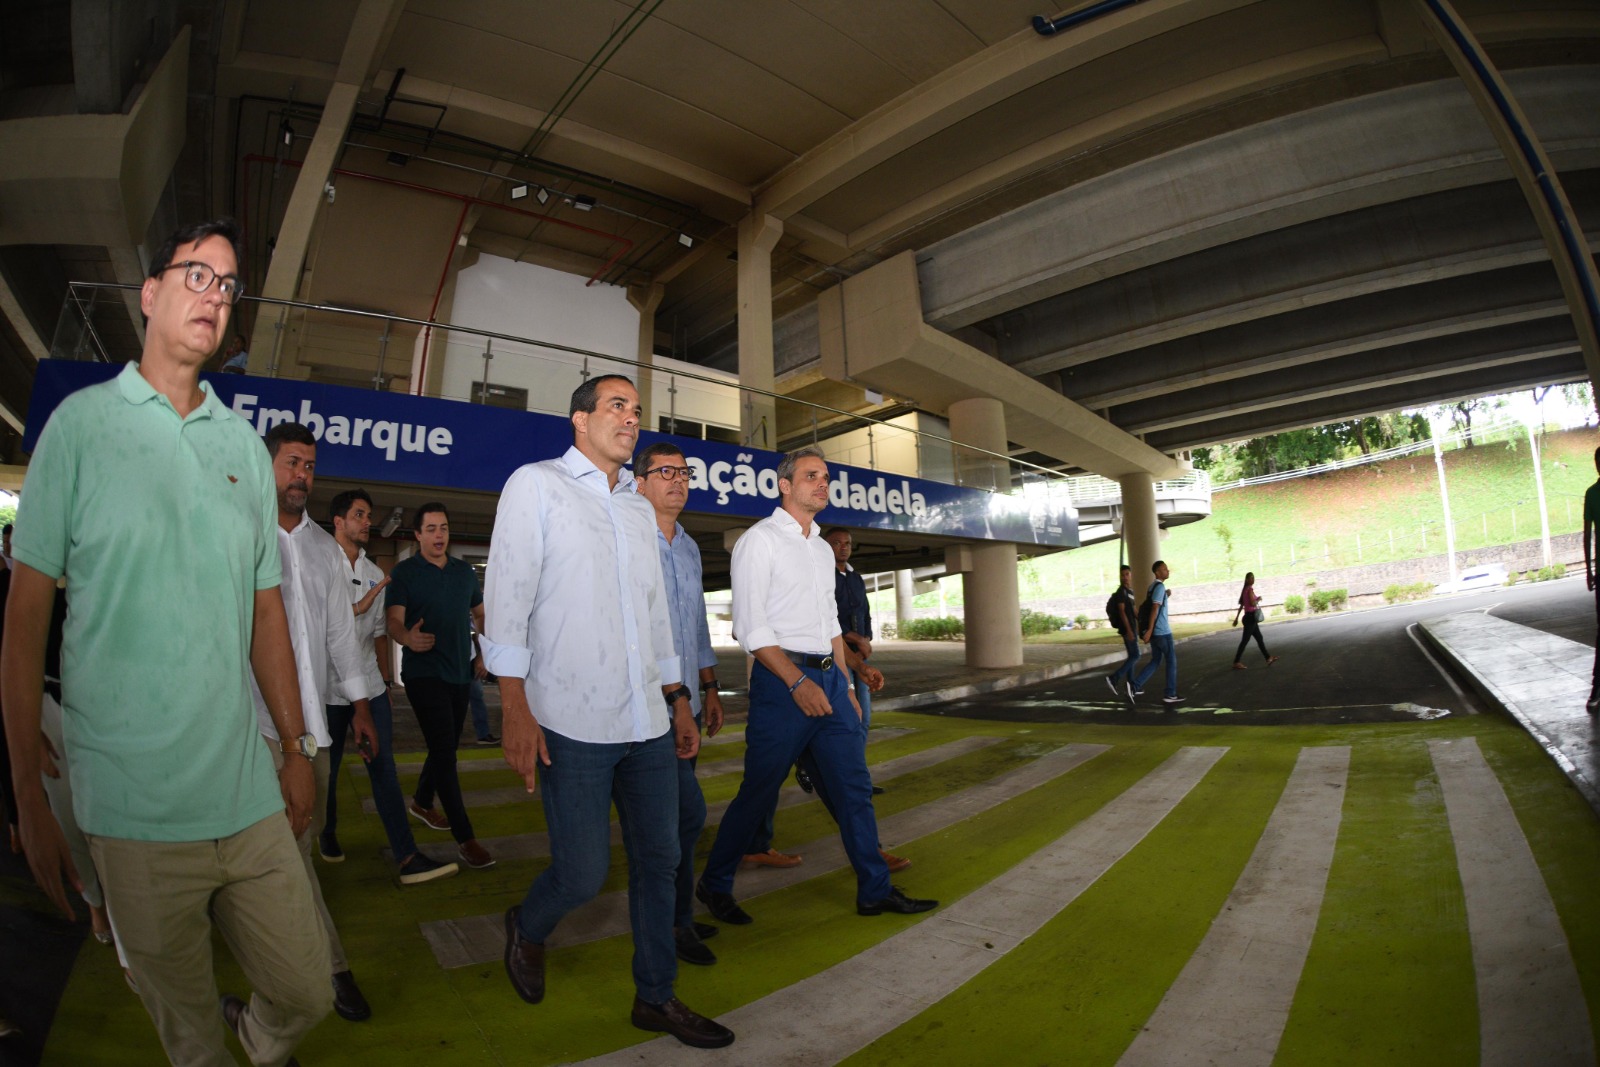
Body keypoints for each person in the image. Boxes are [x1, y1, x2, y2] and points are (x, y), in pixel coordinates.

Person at [1, 218, 332, 1065]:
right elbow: (26, 614)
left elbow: (265, 613)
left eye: (228, 286)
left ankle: (258, 1035)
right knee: (190, 1042)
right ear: (150, 294)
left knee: (306, 988)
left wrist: (293, 743)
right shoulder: (79, 429)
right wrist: (30, 798)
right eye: (197, 275)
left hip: (243, 791)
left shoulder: (241, 450)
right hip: (129, 808)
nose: (214, 296)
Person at [484, 374, 733, 1049]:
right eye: (616, 405)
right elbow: (508, 592)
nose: (630, 416)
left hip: (646, 722)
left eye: (636, 407)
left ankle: (655, 996)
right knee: (583, 871)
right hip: (570, 717)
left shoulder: (634, 509)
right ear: (580, 419)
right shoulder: (536, 485)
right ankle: (529, 925)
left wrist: (677, 700)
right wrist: (514, 702)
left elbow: (654, 618)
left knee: (662, 859)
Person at [697, 446, 937, 925]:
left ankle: (875, 889)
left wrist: (844, 682)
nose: (822, 483)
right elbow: (749, 626)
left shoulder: (822, 547)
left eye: (825, 477)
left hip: (830, 680)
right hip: (781, 682)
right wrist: (795, 681)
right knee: (760, 792)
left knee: (853, 789)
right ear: (784, 485)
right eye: (811, 476)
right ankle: (714, 883)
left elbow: (829, 619)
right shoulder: (758, 541)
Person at [255, 422, 382, 1023]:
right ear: (267, 466)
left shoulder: (324, 552)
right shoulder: (240, 533)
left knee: (294, 851)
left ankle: (299, 980)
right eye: (292, 463)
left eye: (309, 465)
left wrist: (359, 707)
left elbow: (339, 636)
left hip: (310, 734)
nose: (302, 474)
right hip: (244, 729)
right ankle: (331, 970)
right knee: (280, 857)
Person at [321, 488, 459, 886]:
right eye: (360, 515)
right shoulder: (318, 565)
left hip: (368, 687)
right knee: (325, 772)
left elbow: (381, 634)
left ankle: (406, 854)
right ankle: (327, 831)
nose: (368, 522)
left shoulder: (373, 573)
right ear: (340, 521)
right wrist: (357, 608)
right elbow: (315, 625)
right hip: (328, 688)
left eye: (368, 516)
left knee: (384, 770)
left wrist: (387, 675)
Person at [634, 441, 726, 967]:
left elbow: (695, 627)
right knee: (676, 820)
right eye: (664, 471)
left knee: (680, 820)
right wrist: (679, 701)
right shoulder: (629, 540)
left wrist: (710, 687)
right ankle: (670, 924)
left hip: (689, 703)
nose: (677, 480)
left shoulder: (689, 547)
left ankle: (678, 918)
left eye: (684, 472)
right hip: (650, 706)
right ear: (640, 482)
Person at [386, 503, 495, 870]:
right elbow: (394, 622)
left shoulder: (464, 573)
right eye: (431, 529)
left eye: (443, 528)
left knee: (442, 744)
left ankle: (420, 801)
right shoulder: (405, 573)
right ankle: (465, 837)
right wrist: (406, 639)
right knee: (446, 752)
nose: (439, 535)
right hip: (422, 674)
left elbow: (480, 614)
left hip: (459, 673)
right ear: (417, 535)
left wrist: (484, 653)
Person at [1129, 559, 1183, 708]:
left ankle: (1135, 685)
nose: (1168, 571)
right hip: (1162, 632)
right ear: (1157, 572)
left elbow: (1156, 601)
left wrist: (1166, 594)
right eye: (1165, 569)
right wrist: (1151, 630)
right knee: (1171, 661)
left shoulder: (1153, 587)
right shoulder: (1159, 587)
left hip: (1156, 633)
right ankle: (1170, 693)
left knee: (1155, 661)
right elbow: (1154, 608)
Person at [1231, 571, 1277, 669]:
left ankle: (1268, 658)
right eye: (1251, 578)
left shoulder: (1244, 590)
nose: (1253, 579)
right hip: (1250, 618)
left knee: (1259, 638)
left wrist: (1236, 618)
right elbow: (1252, 603)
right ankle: (1236, 662)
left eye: (1253, 577)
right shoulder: (1249, 589)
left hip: (1249, 618)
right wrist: (1258, 599)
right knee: (1245, 641)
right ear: (1247, 580)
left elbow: (1242, 606)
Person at [1106, 565, 1140, 697]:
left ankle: (1131, 686)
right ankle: (1114, 678)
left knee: (1132, 656)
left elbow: (1134, 610)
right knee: (1135, 655)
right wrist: (1129, 630)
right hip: (1127, 629)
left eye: (1127, 574)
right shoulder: (1121, 592)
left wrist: (1142, 621)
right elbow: (1122, 612)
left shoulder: (1130, 591)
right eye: (1123, 575)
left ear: (1131, 575)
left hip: (1133, 628)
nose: (1125, 577)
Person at [1586, 445, 1600, 712]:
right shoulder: (1592, 494)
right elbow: (1586, 535)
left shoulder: (1592, 493)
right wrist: (1589, 570)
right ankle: (1597, 685)